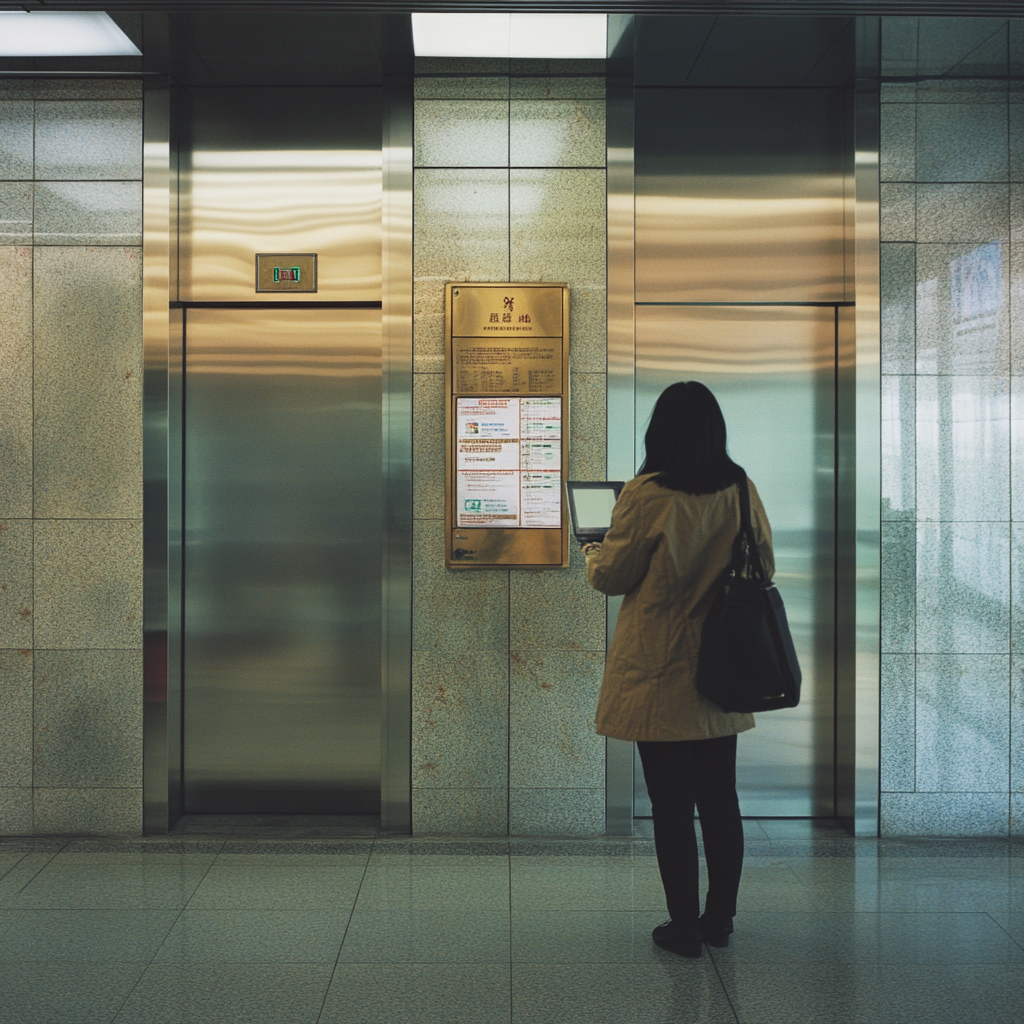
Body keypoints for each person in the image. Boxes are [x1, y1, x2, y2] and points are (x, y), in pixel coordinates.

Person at [582, 381, 774, 958]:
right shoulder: (739, 487)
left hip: (659, 668)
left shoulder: (647, 493)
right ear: (716, 431)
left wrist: (592, 550)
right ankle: (720, 918)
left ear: (658, 432)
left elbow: (612, 578)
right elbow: (763, 565)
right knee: (721, 799)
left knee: (671, 806)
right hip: (723, 667)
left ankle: (683, 926)